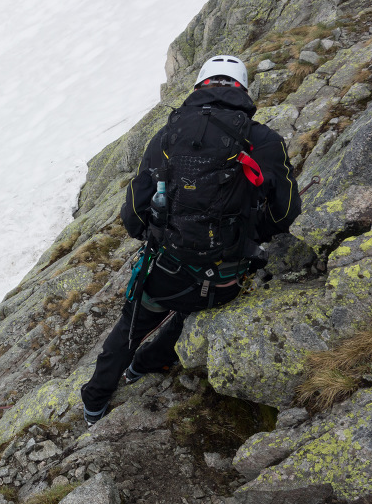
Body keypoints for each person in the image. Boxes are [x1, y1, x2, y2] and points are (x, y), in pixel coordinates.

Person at [81, 54, 302, 427]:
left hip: (167, 269)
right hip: (226, 275)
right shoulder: (263, 139)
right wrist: (250, 234)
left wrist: (154, 234)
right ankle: (147, 363)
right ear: (242, 91)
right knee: (191, 312)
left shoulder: (167, 135)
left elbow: (133, 213)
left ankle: (95, 401)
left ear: (199, 87)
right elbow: (285, 212)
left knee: (131, 326)